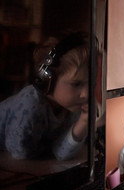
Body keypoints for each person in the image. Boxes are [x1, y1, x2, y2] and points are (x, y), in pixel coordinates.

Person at [0, 32, 90, 161]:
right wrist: (51, 149)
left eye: (90, 84)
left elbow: (60, 153)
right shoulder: (30, 104)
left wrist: (83, 122)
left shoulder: (72, 106)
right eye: (76, 84)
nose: (86, 94)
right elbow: (19, 152)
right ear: (46, 80)